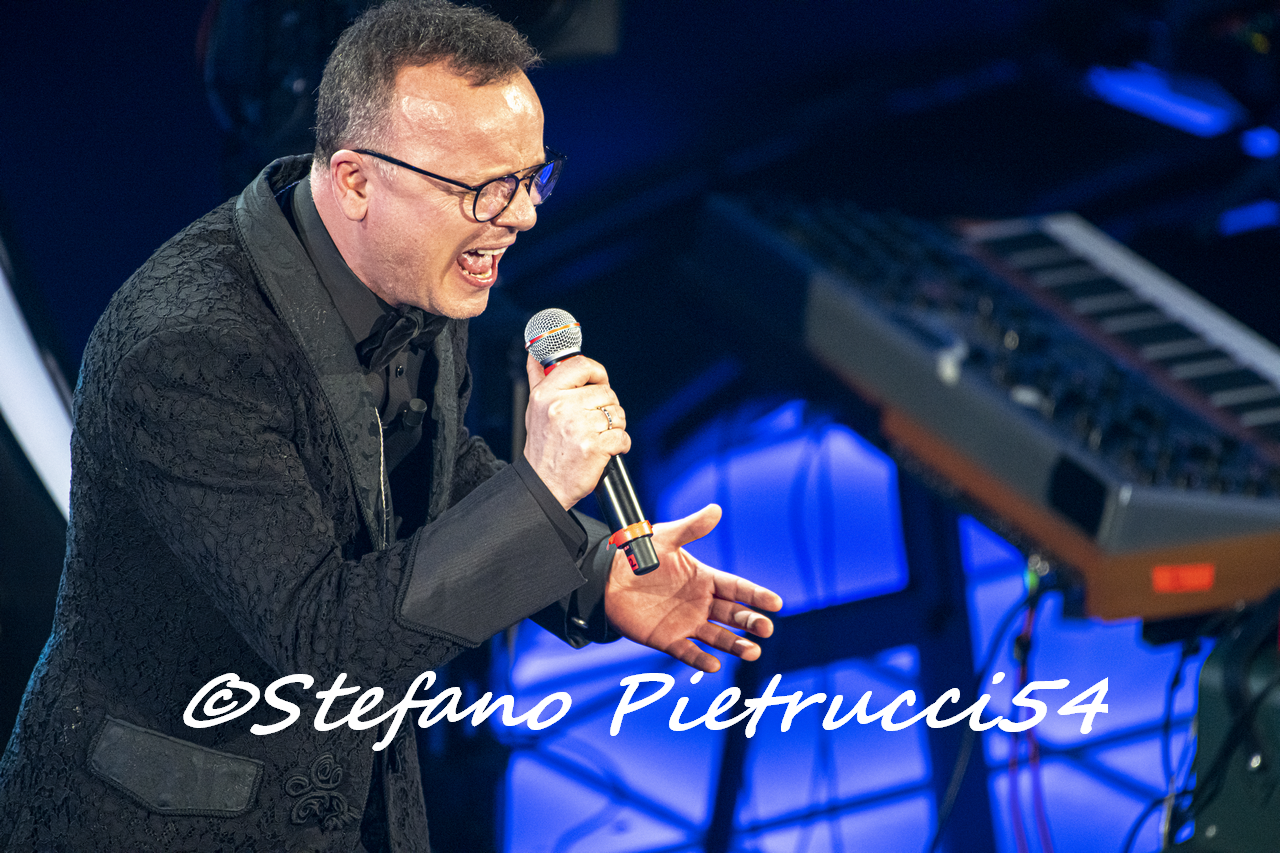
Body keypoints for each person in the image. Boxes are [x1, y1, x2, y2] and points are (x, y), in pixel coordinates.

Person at [0, 1, 781, 851]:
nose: (521, 215)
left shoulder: (415, 264)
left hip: (357, 799)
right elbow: (325, 650)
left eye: (532, 177)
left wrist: (592, 572)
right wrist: (543, 487)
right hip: (168, 821)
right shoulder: (189, 349)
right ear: (355, 182)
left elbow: (429, 476)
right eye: (485, 187)